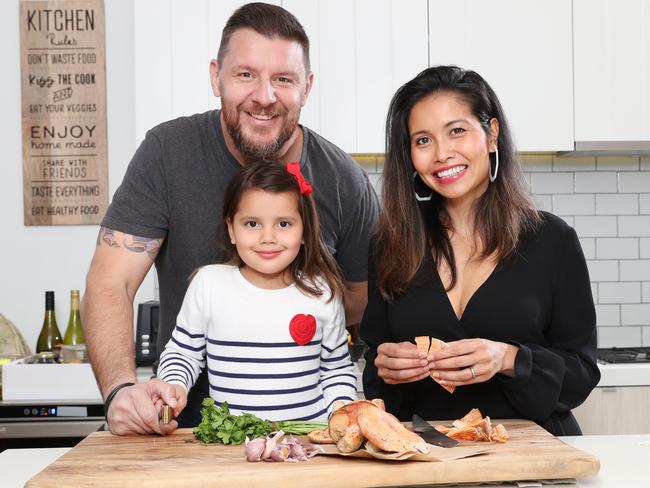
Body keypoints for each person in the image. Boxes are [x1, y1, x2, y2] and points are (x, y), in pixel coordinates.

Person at [82, 2, 378, 435]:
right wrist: (120, 390)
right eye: (245, 75)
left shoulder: (342, 179)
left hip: (308, 440)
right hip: (185, 435)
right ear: (215, 76)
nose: (264, 96)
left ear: (307, 87)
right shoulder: (167, 152)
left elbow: (361, 304)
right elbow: (111, 282)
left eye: (283, 79)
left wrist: (286, 310)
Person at [361, 66, 600, 436]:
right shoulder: (390, 246)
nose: (442, 153)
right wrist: (386, 369)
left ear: (492, 134)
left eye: (457, 131)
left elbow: (582, 374)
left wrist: (508, 358)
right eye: (422, 140)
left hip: (534, 452)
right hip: (430, 455)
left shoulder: (552, 240)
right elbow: (378, 380)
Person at [156, 161, 357, 421]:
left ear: (305, 230)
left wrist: (341, 408)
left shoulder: (322, 292)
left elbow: (336, 370)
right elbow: (183, 352)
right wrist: (173, 386)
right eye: (252, 224)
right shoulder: (209, 285)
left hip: (308, 448)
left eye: (284, 224)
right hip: (231, 450)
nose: (267, 237)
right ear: (231, 229)